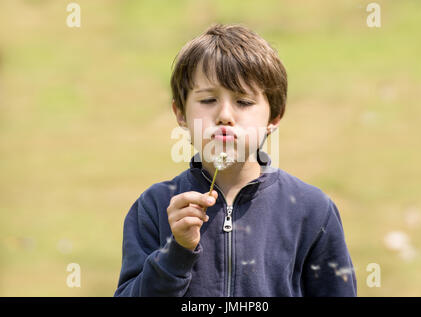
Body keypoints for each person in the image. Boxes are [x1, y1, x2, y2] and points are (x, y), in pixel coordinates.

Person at [114, 24, 357, 297]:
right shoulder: (155, 206)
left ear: (274, 117)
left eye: (243, 102)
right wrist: (176, 252)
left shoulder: (311, 210)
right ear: (180, 113)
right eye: (208, 100)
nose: (225, 115)